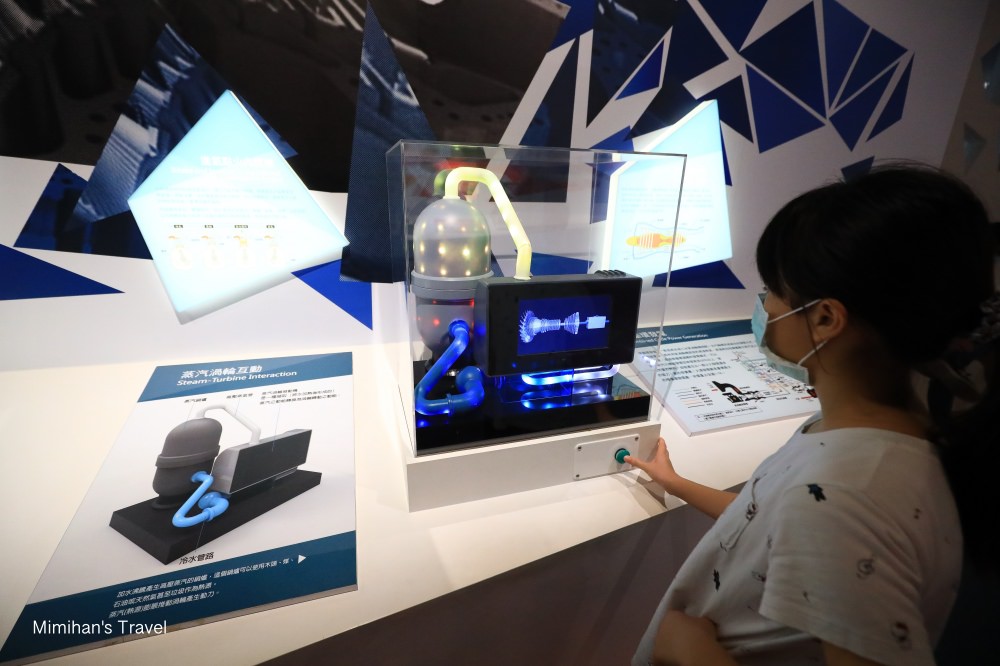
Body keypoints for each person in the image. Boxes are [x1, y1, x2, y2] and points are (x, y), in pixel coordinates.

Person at [625, 164, 999, 666]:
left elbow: (822, 517)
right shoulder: (882, 439)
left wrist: (691, 652)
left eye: (773, 291)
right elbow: (773, 525)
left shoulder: (847, 497)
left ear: (825, 318)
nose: (765, 306)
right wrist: (678, 484)